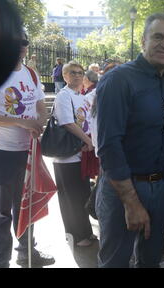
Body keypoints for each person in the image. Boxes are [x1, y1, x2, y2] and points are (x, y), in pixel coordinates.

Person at [96, 13, 164, 268]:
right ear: (143, 40)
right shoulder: (118, 80)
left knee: (150, 260)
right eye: (158, 36)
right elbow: (109, 146)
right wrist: (131, 201)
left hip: (162, 186)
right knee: (115, 262)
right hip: (124, 188)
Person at [0, 31, 55, 268]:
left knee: (26, 206)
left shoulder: (30, 73)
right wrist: (21, 122)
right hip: (2, 152)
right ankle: (0, 259)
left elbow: (39, 102)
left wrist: (39, 119)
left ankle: (27, 253)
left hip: (28, 151)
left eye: (23, 42)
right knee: (0, 212)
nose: (19, 46)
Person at [52, 61, 95, 247]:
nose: (77, 75)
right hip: (66, 156)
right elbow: (67, 123)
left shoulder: (82, 96)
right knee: (70, 197)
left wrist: (88, 142)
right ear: (65, 76)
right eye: (73, 72)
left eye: (80, 72)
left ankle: (86, 231)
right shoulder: (63, 96)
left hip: (81, 154)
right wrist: (87, 141)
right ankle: (76, 235)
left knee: (83, 194)